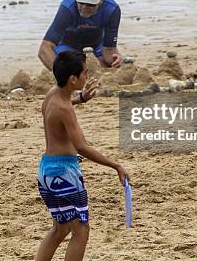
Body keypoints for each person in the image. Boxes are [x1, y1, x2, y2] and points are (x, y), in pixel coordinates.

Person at [35, 51, 129, 261]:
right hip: (64, 173)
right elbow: (82, 147)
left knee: (59, 229)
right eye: (85, 73)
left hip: (46, 171)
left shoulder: (52, 95)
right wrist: (115, 166)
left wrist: (81, 98)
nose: (87, 77)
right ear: (73, 79)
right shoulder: (65, 109)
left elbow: (54, 110)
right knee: (81, 230)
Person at [38, 0, 122, 71]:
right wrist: (59, 73)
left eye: (91, 4)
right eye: (81, 2)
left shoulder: (111, 9)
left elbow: (109, 49)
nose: (84, 8)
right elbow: (44, 49)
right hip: (67, 46)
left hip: (96, 47)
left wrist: (116, 60)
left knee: (104, 66)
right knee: (70, 67)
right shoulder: (68, 7)